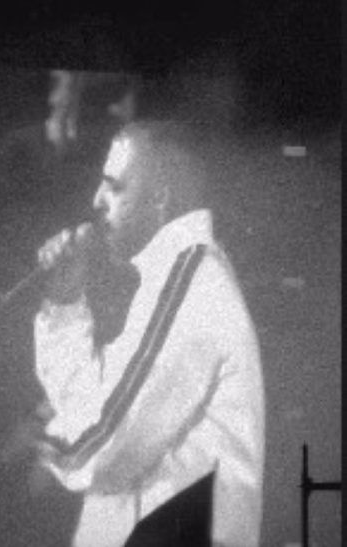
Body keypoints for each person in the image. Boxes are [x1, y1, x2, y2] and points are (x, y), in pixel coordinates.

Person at [28, 120, 265, 546]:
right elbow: (99, 410)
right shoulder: (173, 282)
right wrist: (64, 304)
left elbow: (106, 447)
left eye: (114, 187)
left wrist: (45, 444)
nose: (96, 201)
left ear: (159, 197)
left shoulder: (193, 281)